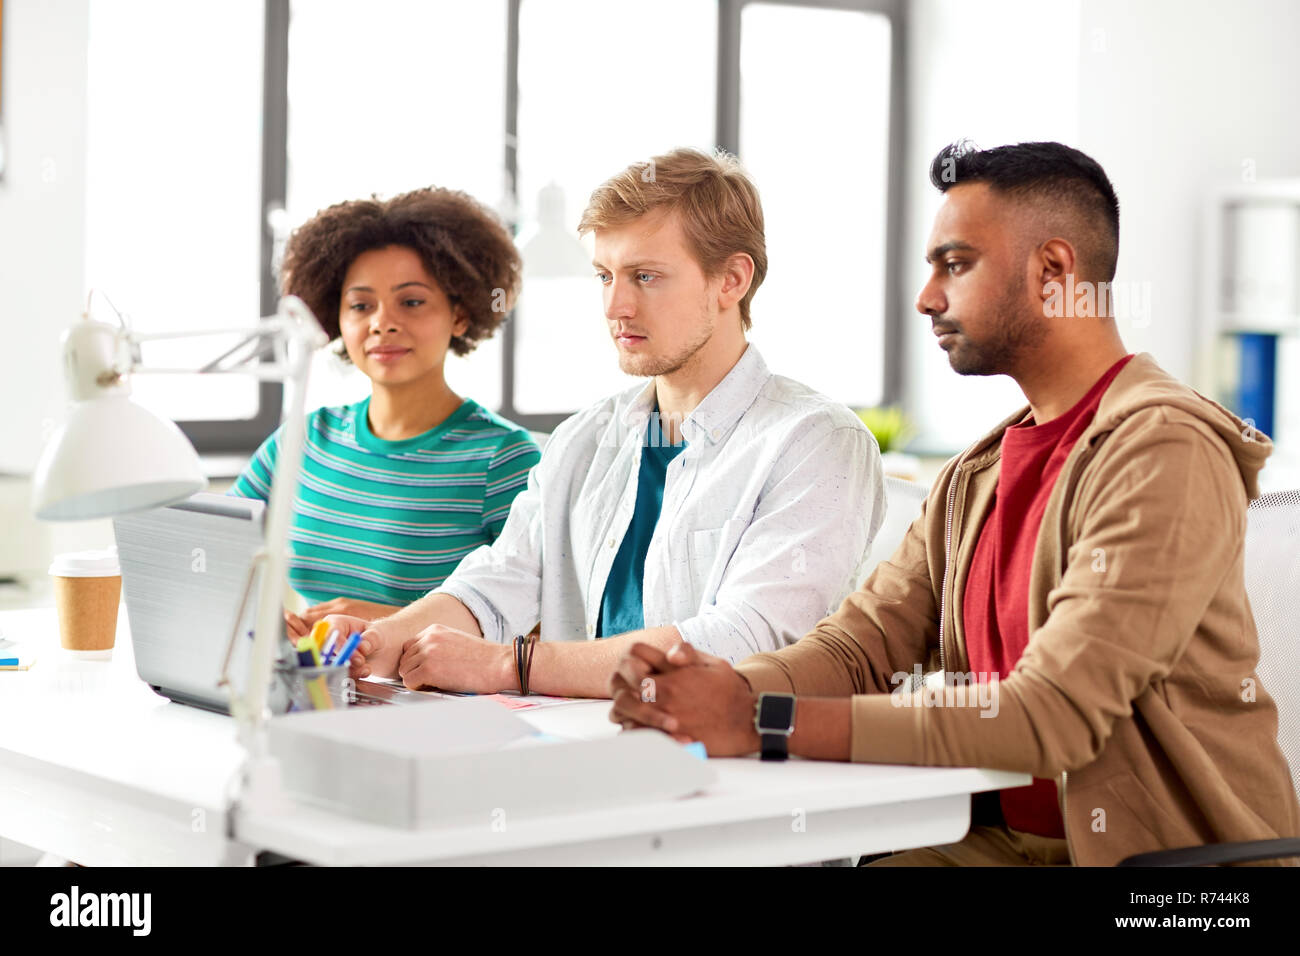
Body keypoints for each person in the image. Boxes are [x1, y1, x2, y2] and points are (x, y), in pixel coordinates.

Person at [609, 141, 1300, 866]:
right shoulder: (981, 472)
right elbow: (859, 650)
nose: (927, 296)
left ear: (1055, 272)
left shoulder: (1164, 451)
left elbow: (1053, 715)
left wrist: (758, 720)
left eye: (956, 264)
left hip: (1167, 874)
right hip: (996, 841)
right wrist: (698, 691)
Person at [325, 147, 886, 698]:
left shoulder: (815, 442)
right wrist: (381, 638)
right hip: (585, 751)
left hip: (732, 771)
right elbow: (500, 581)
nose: (616, 306)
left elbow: (745, 642)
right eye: (603, 276)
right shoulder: (586, 439)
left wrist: (509, 666)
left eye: (645, 276)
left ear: (731, 281)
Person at [229, 187, 541, 638]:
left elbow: (542, 627)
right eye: (360, 305)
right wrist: (262, 622)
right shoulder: (306, 438)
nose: (381, 322)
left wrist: (384, 621)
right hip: (318, 690)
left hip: (434, 699)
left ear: (460, 315)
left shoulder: (503, 459)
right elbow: (216, 550)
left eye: (411, 302)